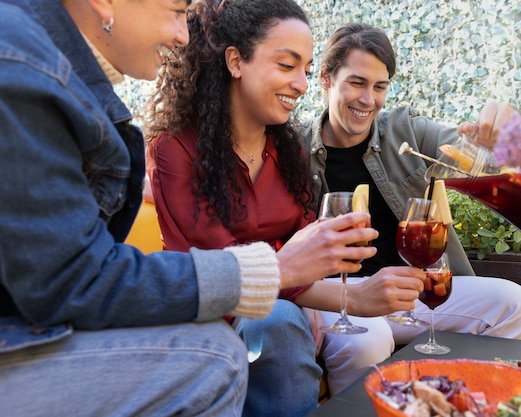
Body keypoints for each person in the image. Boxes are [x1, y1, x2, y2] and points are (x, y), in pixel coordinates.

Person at [0, 1, 378, 416]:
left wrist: (307, 281)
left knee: (313, 323)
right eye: (176, 10)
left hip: (260, 299)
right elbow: (77, 278)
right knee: (220, 352)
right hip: (230, 309)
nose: (184, 35)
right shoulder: (25, 68)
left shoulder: (286, 148)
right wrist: (294, 275)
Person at [144, 2, 431, 416]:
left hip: (297, 307)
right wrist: (351, 297)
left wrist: (314, 293)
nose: (301, 84)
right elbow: (221, 266)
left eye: (307, 69)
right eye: (286, 65)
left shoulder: (287, 148)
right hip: (221, 317)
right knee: (277, 319)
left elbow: (311, 243)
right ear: (235, 61)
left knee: (304, 321)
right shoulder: (175, 149)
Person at [299, 22, 521, 396]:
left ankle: (482, 402)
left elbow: (468, 152)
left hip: (412, 290)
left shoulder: (407, 132)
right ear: (326, 80)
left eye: (380, 87)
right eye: (357, 83)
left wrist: (502, 139)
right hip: (339, 295)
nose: (369, 100)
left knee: (516, 304)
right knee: (367, 338)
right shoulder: (293, 150)